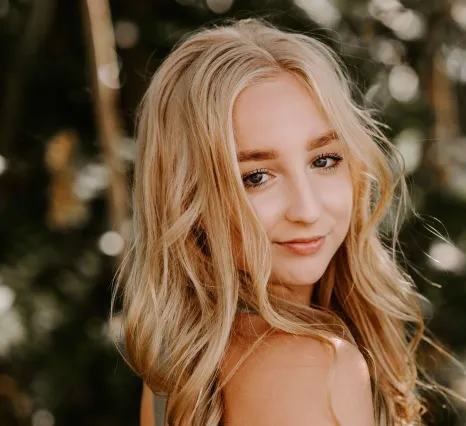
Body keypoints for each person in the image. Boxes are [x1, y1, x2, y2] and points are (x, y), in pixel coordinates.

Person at [112, 18, 426, 426]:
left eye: (324, 160)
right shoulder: (312, 368)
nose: (307, 209)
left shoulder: (180, 362)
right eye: (256, 177)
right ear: (188, 198)